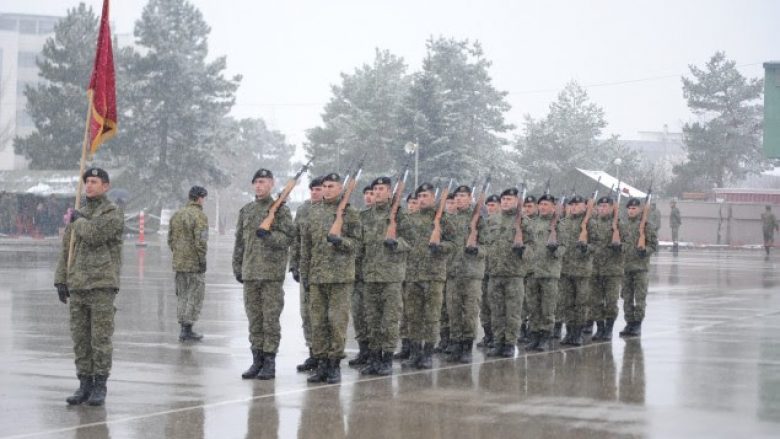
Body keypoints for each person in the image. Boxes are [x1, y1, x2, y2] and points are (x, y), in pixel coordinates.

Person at [54, 167, 124, 406]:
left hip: (101, 285)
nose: (89, 186)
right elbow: (67, 249)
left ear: (106, 186)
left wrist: (78, 221)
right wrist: (61, 279)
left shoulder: (112, 213)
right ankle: (84, 383)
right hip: (78, 285)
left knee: (100, 339)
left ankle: (99, 385)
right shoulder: (79, 213)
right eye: (87, 182)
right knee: (80, 339)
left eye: (94, 182)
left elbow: (95, 235)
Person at [234, 169, 294, 380]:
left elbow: (287, 239)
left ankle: (269, 362)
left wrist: (268, 235)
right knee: (254, 320)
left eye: (263, 182)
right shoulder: (247, 210)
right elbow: (240, 242)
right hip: (250, 273)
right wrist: (237, 267)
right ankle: (256, 360)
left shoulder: (281, 211)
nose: (259, 186)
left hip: (270, 275)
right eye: (256, 182)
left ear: (272, 184)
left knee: (270, 321)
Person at [301, 173, 361, 384]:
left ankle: (334, 365)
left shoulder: (349, 213)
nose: (326, 189)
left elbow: (357, 244)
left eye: (331, 186)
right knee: (318, 323)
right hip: (317, 277)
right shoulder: (313, 212)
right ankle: (321, 364)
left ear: (341, 189)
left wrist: (340, 242)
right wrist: (305, 273)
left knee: (336, 322)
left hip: (340, 278)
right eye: (324, 186)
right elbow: (306, 246)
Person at [357, 177, 411, 376]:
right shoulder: (364, 216)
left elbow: (411, 241)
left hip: (391, 277)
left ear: (390, 192)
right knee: (371, 320)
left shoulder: (399, 214)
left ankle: (386, 359)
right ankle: (374, 358)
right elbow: (359, 246)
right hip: (370, 276)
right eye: (375, 189)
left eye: (382, 189)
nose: (378, 192)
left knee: (389, 320)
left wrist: (396, 244)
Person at [402, 183, 454, 369]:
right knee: (413, 316)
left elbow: (453, 244)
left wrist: (440, 247)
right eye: (419, 196)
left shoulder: (443, 219)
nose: (422, 199)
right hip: (413, 275)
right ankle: (415, 353)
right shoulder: (410, 219)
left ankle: (428, 354)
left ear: (434, 198)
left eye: (425, 196)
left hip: (433, 275)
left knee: (432, 317)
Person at [484, 188, 533, 357]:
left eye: (509, 199)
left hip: (514, 274)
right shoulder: (492, 220)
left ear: (517, 202)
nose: (505, 202)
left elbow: (533, 247)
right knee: (496, 311)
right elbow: (484, 243)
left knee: (513, 312)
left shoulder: (524, 221)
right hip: (495, 273)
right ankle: (498, 342)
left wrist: (523, 251)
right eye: (503, 199)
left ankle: (510, 343)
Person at [444, 185, 486, 363]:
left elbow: (488, 246)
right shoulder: (449, 219)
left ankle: (467, 346)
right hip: (453, 272)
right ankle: (455, 344)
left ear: (471, 198)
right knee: (453, 312)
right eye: (457, 196)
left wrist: (476, 250)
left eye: (463, 196)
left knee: (469, 313)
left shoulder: (479, 220)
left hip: (472, 274)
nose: (459, 199)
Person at [168, 186, 209, 342]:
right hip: (194, 264)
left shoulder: (177, 215)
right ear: (199, 198)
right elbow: (201, 241)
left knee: (182, 295)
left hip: (179, 263)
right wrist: (202, 259)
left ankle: (183, 328)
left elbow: (170, 239)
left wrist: (179, 254)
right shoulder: (200, 216)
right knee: (194, 295)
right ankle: (187, 328)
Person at [291, 177, 323, 372]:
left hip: (325, 272)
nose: (315, 193)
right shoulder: (303, 210)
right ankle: (312, 352)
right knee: (306, 314)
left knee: (321, 315)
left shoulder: (335, 211)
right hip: (306, 270)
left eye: (318, 189)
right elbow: (296, 238)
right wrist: (293, 264)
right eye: (312, 189)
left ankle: (324, 355)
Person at [525, 194, 565, 352]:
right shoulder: (531, 223)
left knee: (547, 308)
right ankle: (534, 336)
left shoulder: (559, 225)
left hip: (549, 273)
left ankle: (545, 337)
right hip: (532, 271)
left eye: (546, 204)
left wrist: (555, 250)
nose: (542, 207)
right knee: (533, 307)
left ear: (553, 207)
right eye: (540, 204)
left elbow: (564, 247)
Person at [557, 195, 594, 346]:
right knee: (567, 303)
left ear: (585, 206)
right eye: (571, 205)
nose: (573, 207)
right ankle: (569, 332)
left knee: (581, 303)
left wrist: (586, 247)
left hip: (582, 271)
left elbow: (598, 245)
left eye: (577, 205)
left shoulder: (590, 224)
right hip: (565, 270)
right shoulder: (563, 223)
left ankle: (578, 333)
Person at [619, 198, 657, 337]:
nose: (631, 211)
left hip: (640, 268)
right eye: (629, 208)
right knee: (627, 297)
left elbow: (653, 245)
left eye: (634, 208)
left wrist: (644, 251)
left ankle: (637, 324)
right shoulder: (623, 225)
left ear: (640, 210)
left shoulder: (647, 226)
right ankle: (629, 323)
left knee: (639, 298)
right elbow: (620, 242)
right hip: (626, 267)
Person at [589, 196, 625, 341]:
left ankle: (609, 328)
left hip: (612, 270)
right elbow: (588, 241)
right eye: (600, 206)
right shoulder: (592, 224)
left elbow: (628, 244)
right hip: (595, 268)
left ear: (612, 208)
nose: (602, 209)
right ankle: (600, 328)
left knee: (611, 301)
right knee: (595, 301)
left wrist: (619, 247)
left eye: (605, 206)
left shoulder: (620, 224)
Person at [347, 186, 374, 366]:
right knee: (358, 315)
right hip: (357, 275)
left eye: (372, 193)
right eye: (367, 194)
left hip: (373, 274)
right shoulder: (359, 217)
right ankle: (363, 350)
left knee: (372, 316)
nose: (369, 197)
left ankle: (374, 352)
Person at [477, 194, 501, 349]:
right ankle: (488, 335)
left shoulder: (501, 223)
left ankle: (497, 337)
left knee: (495, 304)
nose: (490, 208)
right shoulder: (482, 222)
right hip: (482, 269)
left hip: (496, 269)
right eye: (488, 205)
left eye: (493, 205)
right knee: (484, 305)